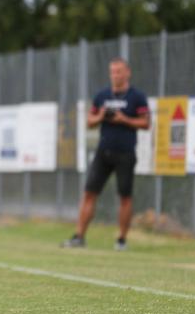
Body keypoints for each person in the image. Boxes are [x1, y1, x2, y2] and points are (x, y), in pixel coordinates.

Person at [64, 57, 149, 251]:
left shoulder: (137, 96)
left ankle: (121, 240)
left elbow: (145, 123)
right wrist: (101, 116)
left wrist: (124, 119)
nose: (115, 75)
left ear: (127, 73)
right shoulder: (102, 96)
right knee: (89, 193)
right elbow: (89, 121)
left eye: (119, 71)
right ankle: (79, 237)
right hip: (103, 152)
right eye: (112, 72)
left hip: (126, 153)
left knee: (125, 197)